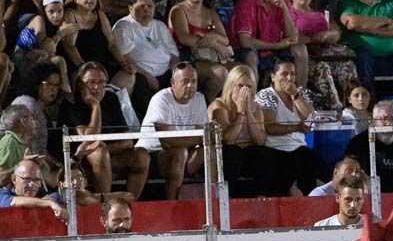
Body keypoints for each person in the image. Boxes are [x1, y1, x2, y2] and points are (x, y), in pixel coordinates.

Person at [67, 61, 150, 198]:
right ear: (81, 84)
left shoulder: (111, 98)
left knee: (141, 155)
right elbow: (88, 141)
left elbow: (127, 140)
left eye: (101, 82)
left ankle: (130, 205)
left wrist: (106, 148)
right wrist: (95, 106)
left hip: (111, 156)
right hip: (81, 162)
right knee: (99, 151)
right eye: (91, 83)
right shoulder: (72, 103)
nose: (97, 87)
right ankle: (106, 204)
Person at [286, 0, 356, 111]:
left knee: (348, 66)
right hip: (306, 58)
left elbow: (336, 33)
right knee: (322, 68)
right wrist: (314, 38)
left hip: (328, 53)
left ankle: (352, 106)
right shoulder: (288, 14)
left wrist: (328, 35)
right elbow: (292, 36)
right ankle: (334, 108)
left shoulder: (323, 14)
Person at [138, 63, 207, 201]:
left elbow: (203, 135)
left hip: (183, 152)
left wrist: (204, 139)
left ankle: (214, 202)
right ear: (173, 83)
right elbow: (167, 141)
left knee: (211, 149)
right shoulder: (162, 99)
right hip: (152, 154)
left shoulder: (199, 98)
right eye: (185, 81)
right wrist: (201, 139)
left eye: (193, 81)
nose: (190, 86)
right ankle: (172, 203)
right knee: (179, 152)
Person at [61, 0, 136, 95]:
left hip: (102, 67)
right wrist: (86, 69)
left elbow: (112, 44)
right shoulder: (70, 14)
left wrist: (123, 63)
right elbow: (69, 46)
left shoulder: (100, 14)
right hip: (80, 67)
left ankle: (112, 101)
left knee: (128, 75)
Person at [254, 58, 316, 195]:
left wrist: (295, 95)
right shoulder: (266, 95)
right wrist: (296, 128)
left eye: (292, 74)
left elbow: (310, 120)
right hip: (275, 148)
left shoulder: (300, 93)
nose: (289, 78)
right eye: (284, 74)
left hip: (299, 147)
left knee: (310, 159)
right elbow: (269, 127)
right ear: (273, 76)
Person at [113, 0, 179, 114]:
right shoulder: (123, 26)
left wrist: (176, 75)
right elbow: (124, 57)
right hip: (141, 75)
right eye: (141, 6)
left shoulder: (160, 26)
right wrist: (148, 77)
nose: (147, 10)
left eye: (150, 6)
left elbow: (174, 55)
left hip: (166, 74)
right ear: (131, 8)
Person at [230, 0, 304, 86]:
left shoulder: (282, 1)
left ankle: (299, 94)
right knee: (250, 55)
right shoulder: (246, 3)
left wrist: (283, 8)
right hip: (250, 50)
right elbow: (245, 42)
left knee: (300, 48)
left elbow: (293, 37)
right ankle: (252, 98)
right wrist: (276, 45)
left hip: (274, 49)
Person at [169, 0, 233, 101]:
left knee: (242, 70)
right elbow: (185, 39)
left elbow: (225, 40)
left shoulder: (210, 12)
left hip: (210, 57)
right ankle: (205, 104)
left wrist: (211, 38)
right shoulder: (178, 10)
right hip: (186, 57)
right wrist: (214, 43)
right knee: (221, 73)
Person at [208, 63, 268, 197]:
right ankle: (228, 198)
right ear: (231, 86)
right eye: (240, 86)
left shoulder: (256, 108)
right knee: (233, 152)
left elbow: (260, 140)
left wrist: (247, 110)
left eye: (249, 87)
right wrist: (240, 113)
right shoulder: (219, 106)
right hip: (225, 155)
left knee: (263, 153)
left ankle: (261, 197)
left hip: (248, 155)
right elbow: (228, 140)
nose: (244, 90)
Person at [14, 0, 73, 95]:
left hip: (35, 58)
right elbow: (47, 49)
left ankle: (65, 93)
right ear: (44, 11)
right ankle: (67, 93)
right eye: (51, 11)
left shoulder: (55, 26)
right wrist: (61, 33)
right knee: (59, 61)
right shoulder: (38, 19)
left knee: (60, 61)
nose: (56, 15)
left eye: (60, 11)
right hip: (22, 59)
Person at [0, 156, 65, 219]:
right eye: (27, 179)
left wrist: (53, 200)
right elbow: (14, 202)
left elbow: (58, 197)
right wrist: (49, 203)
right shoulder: (3, 194)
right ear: (14, 179)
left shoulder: (42, 194)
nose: (32, 184)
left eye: (36, 180)